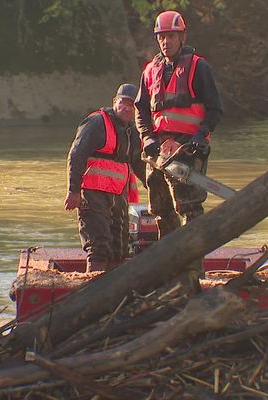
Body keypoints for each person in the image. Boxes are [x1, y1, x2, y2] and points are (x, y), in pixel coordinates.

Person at [135, 10, 224, 292]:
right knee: (160, 210)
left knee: (189, 209)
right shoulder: (150, 71)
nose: (165, 42)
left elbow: (215, 109)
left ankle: (193, 269)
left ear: (181, 36)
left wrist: (199, 138)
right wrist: (147, 138)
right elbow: (141, 110)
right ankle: (167, 266)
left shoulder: (199, 67)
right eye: (161, 37)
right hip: (157, 151)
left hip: (188, 150)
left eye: (171, 36)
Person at [64, 83, 146, 272]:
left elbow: (139, 164)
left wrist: (155, 187)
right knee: (98, 245)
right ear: (115, 102)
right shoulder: (96, 123)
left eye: (131, 105)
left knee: (120, 248)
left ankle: (116, 288)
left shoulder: (132, 132)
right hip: (93, 194)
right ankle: (94, 286)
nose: (126, 107)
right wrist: (73, 190)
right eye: (122, 102)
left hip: (118, 196)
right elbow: (76, 155)